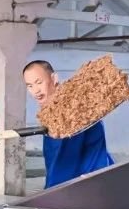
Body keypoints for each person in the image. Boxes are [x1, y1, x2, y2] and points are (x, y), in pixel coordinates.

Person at [23, 59, 114, 188]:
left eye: (39, 82)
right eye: (30, 86)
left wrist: (50, 192)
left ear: (54, 78)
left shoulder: (68, 112)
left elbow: (63, 162)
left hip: (84, 185)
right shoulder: (53, 111)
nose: (35, 90)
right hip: (96, 179)